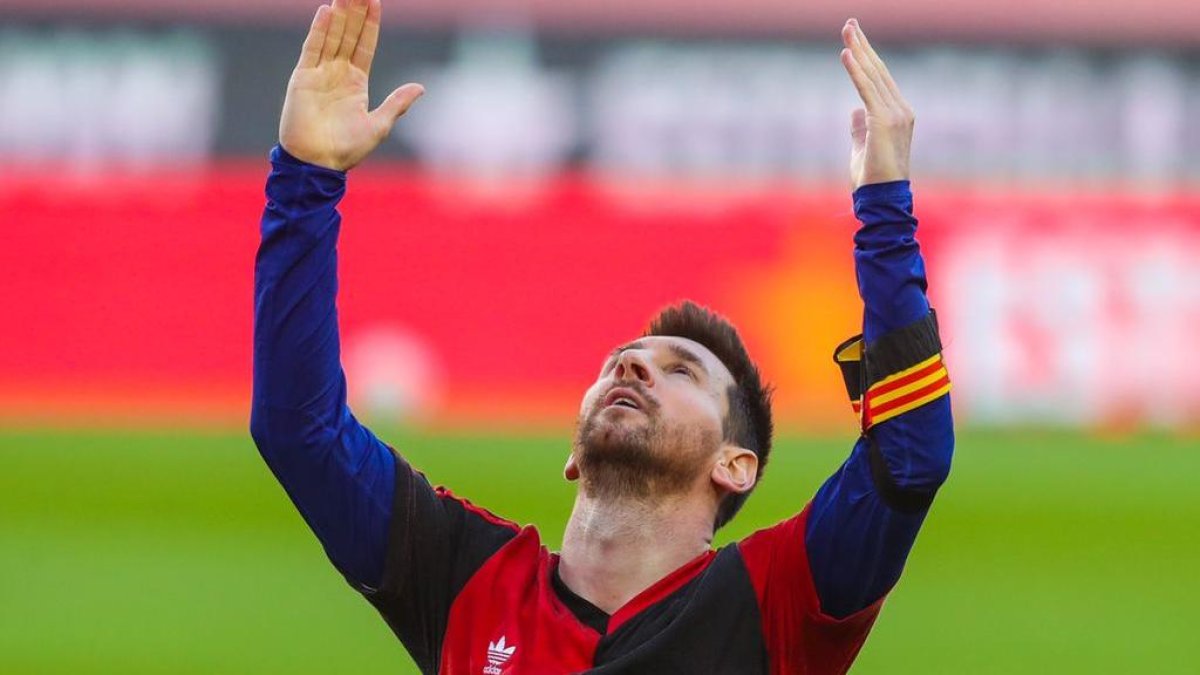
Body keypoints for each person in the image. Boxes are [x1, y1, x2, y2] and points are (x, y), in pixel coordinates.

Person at [250, 0, 954, 672]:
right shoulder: (466, 577)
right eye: (622, 361)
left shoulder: (777, 599)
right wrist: (305, 179)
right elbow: (298, 431)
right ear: (573, 454)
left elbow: (911, 456)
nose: (633, 370)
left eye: (681, 371)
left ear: (735, 465)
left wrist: (885, 214)